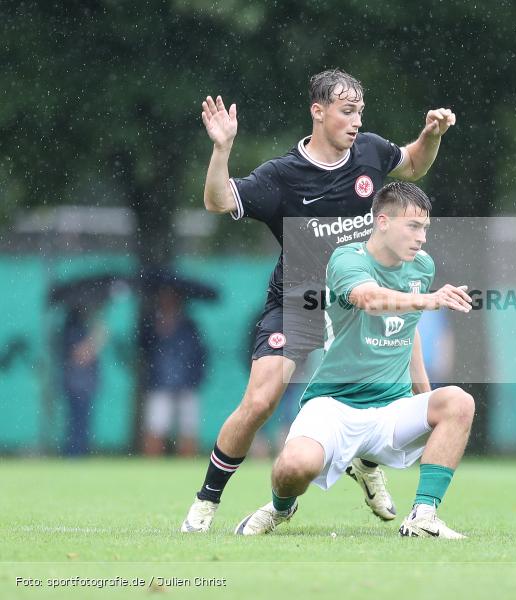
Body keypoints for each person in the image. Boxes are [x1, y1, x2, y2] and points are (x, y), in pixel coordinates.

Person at [182, 69, 457, 532]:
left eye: (359, 112)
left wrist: (431, 135)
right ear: (318, 111)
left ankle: (366, 461)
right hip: (300, 302)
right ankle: (207, 501)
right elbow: (216, 200)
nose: (355, 122)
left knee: (389, 391)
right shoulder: (281, 176)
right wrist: (222, 150)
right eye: (346, 112)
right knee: (261, 400)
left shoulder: (368, 150)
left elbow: (412, 165)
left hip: (358, 305)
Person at [234, 182, 474, 538]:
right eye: (413, 226)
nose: (421, 237)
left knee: (459, 402)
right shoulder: (347, 258)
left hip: (390, 410)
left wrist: (423, 398)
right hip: (335, 406)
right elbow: (369, 299)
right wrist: (430, 300)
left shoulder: (421, 267)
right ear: (382, 222)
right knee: (294, 467)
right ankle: (281, 508)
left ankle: (423, 517)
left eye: (425, 227)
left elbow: (410, 333)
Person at [140, 286, 207, 457]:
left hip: (186, 383)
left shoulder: (189, 325)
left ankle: (186, 466)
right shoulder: (151, 324)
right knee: (156, 427)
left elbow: (198, 353)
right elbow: (144, 349)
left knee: (188, 429)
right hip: (160, 382)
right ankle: (152, 468)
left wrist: (195, 377)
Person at [61, 302, 106, 457]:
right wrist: (98, 337)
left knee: (83, 422)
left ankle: (79, 452)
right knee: (77, 422)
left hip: (85, 384)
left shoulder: (82, 326)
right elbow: (81, 355)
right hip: (76, 384)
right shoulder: (73, 327)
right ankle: (74, 454)